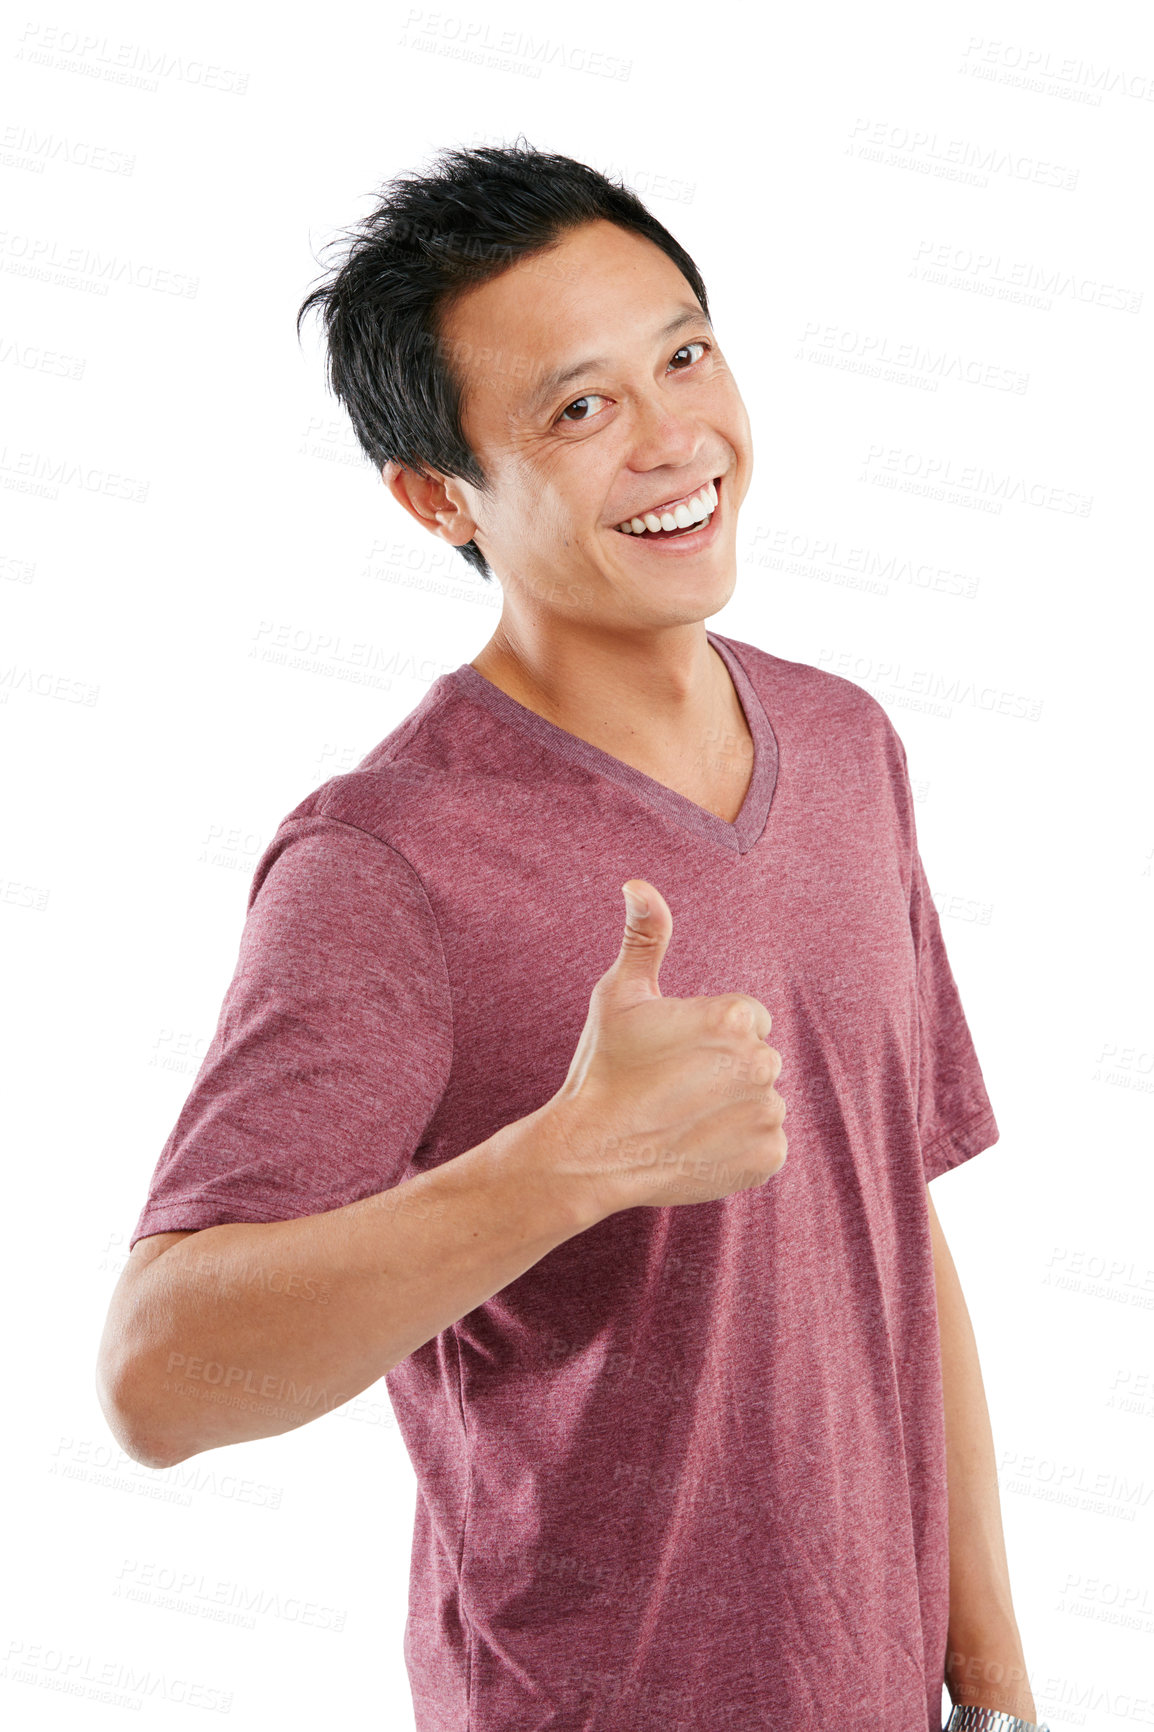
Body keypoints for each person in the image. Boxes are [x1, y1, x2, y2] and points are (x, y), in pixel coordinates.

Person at [97, 142, 1045, 1732]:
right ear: (431, 493)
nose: (679, 439)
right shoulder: (385, 857)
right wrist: (564, 1166)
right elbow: (154, 1383)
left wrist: (995, 1677)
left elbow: (892, 1222)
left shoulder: (847, 743)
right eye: (580, 408)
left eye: (684, 354)